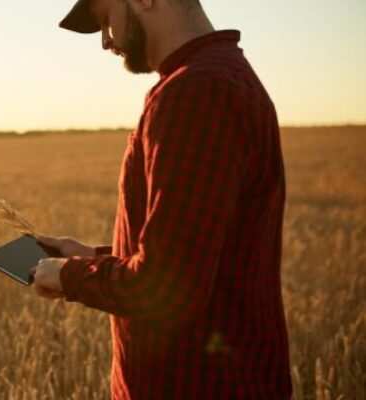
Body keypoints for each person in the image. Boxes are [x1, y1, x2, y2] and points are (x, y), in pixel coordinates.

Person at [30, 0, 292, 398]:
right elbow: (195, 257)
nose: (106, 41)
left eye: (106, 20)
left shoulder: (195, 92)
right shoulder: (215, 77)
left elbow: (169, 288)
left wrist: (69, 275)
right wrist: (92, 256)